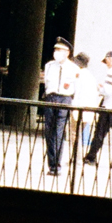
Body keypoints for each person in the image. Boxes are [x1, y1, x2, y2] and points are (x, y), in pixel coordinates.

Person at [83, 49, 112, 167]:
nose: (106, 64)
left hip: (110, 107)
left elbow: (107, 91)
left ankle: (91, 157)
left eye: (107, 61)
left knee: (100, 132)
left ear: (110, 59)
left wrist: (100, 88)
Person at [39, 38, 74, 175]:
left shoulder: (73, 68)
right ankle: (51, 164)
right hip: (51, 98)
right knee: (49, 132)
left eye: (60, 50)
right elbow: (47, 83)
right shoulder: (49, 66)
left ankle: (57, 165)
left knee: (59, 132)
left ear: (67, 53)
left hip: (64, 99)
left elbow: (74, 87)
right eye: (55, 50)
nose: (56, 53)